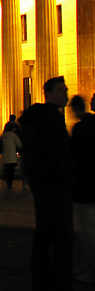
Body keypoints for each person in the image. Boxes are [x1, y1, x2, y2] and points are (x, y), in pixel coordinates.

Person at [19, 76, 73, 291]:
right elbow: (56, 154)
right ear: (48, 93)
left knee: (44, 234)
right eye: (60, 90)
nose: (65, 94)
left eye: (65, 90)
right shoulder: (50, 119)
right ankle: (59, 281)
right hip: (53, 185)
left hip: (43, 184)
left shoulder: (39, 118)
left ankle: (43, 279)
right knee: (60, 236)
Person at [71, 93, 95, 284]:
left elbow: (76, 158)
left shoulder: (83, 128)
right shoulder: (87, 124)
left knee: (88, 231)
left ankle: (91, 268)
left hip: (87, 188)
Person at [0, 120, 23, 188]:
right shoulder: (14, 135)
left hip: (5, 157)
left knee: (7, 169)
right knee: (11, 171)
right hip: (12, 157)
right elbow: (19, 144)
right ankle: (10, 183)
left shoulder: (3, 136)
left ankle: (7, 181)